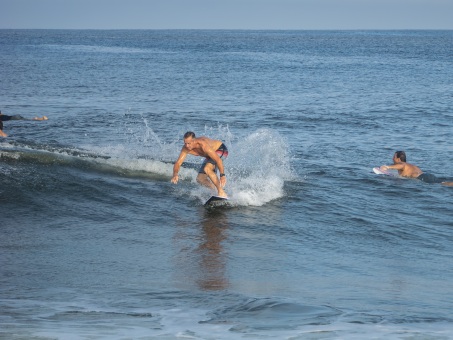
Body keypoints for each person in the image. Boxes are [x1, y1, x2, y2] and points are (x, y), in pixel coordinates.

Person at [171, 131, 229, 197]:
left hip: (220, 150)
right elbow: (178, 163)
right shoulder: (185, 148)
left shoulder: (203, 145)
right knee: (200, 179)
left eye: (189, 143)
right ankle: (216, 191)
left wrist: (222, 175)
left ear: (194, 141)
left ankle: (221, 192)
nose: (187, 146)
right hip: (209, 155)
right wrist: (175, 174)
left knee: (207, 169)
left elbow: (218, 160)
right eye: (185, 143)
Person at [379, 151, 453, 186]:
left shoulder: (402, 164)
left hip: (423, 178)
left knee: (442, 184)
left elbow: (401, 166)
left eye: (394, 157)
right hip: (426, 175)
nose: (392, 158)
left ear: (398, 159)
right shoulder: (410, 165)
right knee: (442, 182)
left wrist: (387, 167)